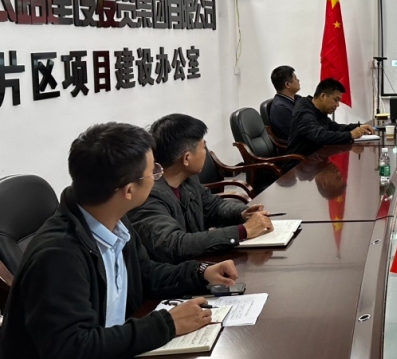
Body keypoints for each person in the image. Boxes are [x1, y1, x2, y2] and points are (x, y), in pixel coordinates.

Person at [0, 123, 240, 359]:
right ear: (129, 191)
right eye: (153, 171)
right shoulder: (58, 255)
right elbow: (73, 347)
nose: (157, 177)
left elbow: (146, 275)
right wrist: (167, 324)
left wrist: (201, 273)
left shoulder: (115, 221)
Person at [129, 114, 274, 264]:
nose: (206, 152)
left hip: (199, 266)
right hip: (174, 273)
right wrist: (243, 231)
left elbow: (213, 206)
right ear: (187, 158)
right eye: (203, 147)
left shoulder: (188, 180)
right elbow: (175, 245)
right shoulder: (147, 195)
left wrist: (242, 213)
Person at [286, 78, 375, 157]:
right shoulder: (304, 112)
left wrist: (357, 126)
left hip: (316, 160)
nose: (337, 105)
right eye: (336, 100)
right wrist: (350, 135)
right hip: (299, 165)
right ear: (323, 96)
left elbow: (334, 127)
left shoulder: (317, 109)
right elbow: (319, 136)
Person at [269, 65, 301, 140]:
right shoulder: (280, 108)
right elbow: (298, 134)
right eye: (295, 78)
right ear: (287, 84)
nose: (298, 80)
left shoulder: (297, 98)